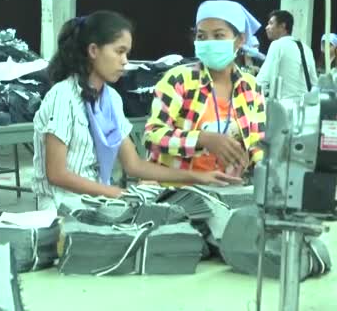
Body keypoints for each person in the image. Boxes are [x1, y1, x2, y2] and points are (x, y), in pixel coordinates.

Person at [32, 11, 240, 210]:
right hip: (60, 208)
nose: (125, 61)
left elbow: (134, 165)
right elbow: (56, 173)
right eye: (119, 51)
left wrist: (198, 177)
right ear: (93, 51)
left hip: (97, 202)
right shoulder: (63, 96)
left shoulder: (111, 100)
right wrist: (118, 193)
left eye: (127, 53)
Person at [145, 0, 266, 181]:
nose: (209, 43)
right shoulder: (179, 80)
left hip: (227, 191)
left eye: (218, 36)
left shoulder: (250, 88)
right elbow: (153, 136)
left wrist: (267, 170)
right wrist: (202, 139)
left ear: (239, 40)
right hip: (177, 190)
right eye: (201, 36)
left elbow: (257, 143)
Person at [257, 10, 318, 99]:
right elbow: (314, 83)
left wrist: (250, 94)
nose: (267, 27)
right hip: (303, 107)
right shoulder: (307, 49)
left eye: (271, 23)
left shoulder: (277, 45)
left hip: (283, 107)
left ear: (282, 26)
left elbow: (263, 78)